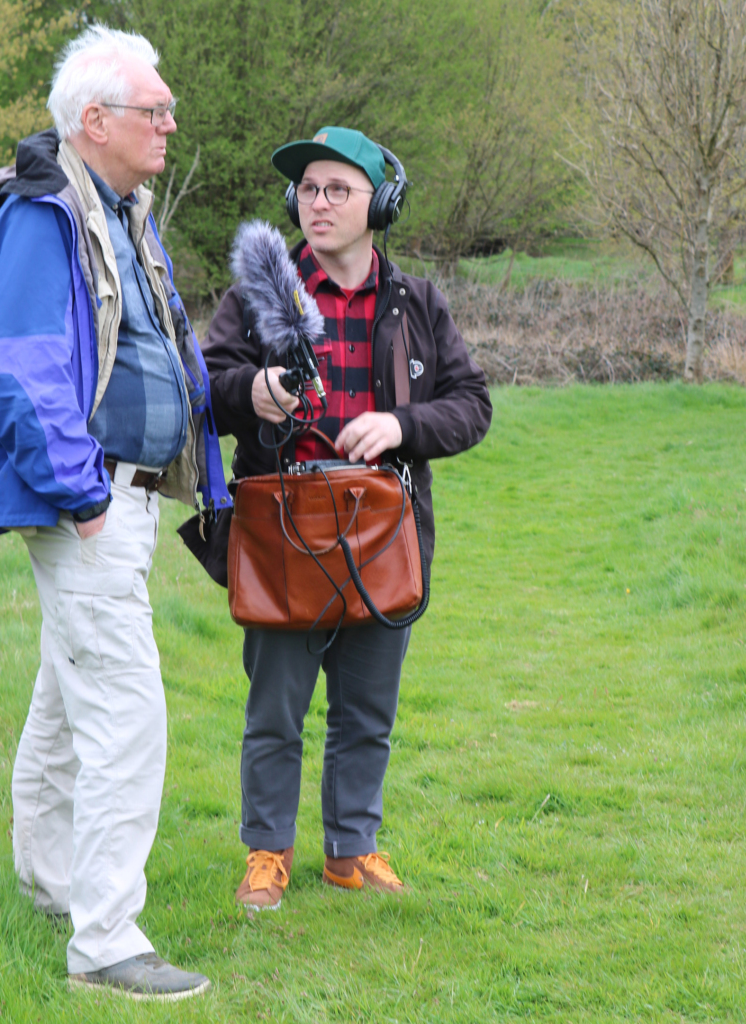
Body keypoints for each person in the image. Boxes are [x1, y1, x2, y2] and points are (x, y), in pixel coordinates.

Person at [0, 25, 230, 1000]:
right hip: (91, 497)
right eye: (155, 109)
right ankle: (106, 942)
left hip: (123, 493)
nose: (169, 122)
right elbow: (21, 372)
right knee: (125, 712)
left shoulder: (119, 211)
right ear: (95, 120)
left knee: (67, 695)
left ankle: (50, 883)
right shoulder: (46, 217)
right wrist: (81, 494)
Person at [202, 126, 492, 909]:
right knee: (275, 713)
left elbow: (472, 405)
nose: (318, 203)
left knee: (367, 712)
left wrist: (402, 424)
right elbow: (206, 388)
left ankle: (351, 851)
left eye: (338, 189)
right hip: (282, 535)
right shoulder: (254, 298)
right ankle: (268, 853)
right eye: (307, 189)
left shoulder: (417, 303)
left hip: (382, 535)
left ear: (380, 203)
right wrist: (251, 390)